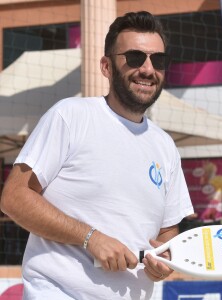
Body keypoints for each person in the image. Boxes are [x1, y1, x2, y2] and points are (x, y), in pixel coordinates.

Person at [0, 11, 194, 300]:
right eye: (135, 58)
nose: (148, 69)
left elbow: (168, 231)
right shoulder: (71, 116)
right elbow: (14, 198)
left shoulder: (165, 145)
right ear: (106, 66)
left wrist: (164, 260)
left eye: (158, 60)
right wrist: (90, 238)